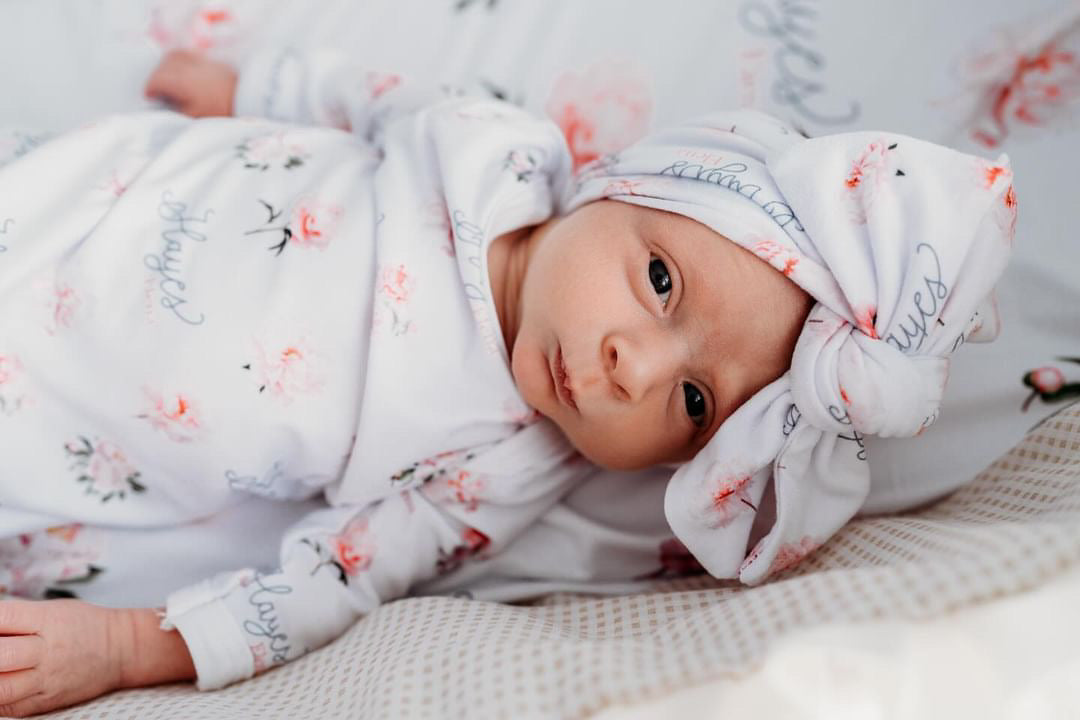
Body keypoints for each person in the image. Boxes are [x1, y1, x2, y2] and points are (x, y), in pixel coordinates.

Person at [0, 47, 1014, 715]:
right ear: (626, 184)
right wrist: (254, 88)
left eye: (695, 404)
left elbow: (333, 579)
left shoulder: (501, 469)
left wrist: (132, 647)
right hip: (85, 205)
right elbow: (367, 96)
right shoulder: (496, 149)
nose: (636, 367)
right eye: (660, 280)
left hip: (53, 431)